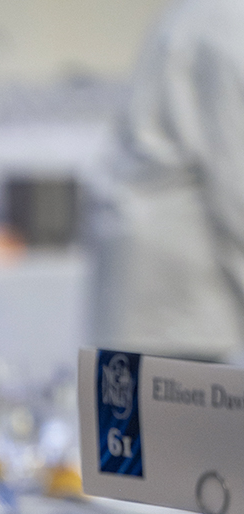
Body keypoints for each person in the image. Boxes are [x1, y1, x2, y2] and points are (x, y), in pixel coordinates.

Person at [87, 0, 244, 362]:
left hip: (154, 268)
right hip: (179, 277)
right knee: (174, 393)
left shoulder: (199, 13)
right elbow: (234, 176)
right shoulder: (228, 22)